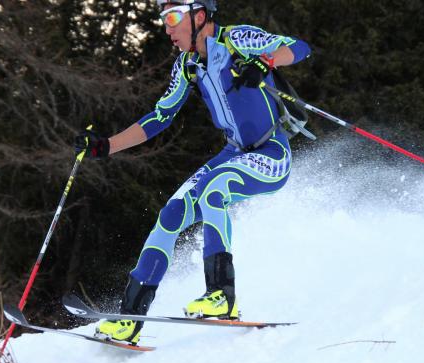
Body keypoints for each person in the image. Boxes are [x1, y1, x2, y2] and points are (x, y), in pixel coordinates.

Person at [74, 0, 311, 345]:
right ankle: (129, 317)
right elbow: (159, 117)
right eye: (163, 20)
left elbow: (299, 48)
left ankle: (221, 296)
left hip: (271, 153)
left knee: (216, 187)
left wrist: (265, 62)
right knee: (171, 214)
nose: (167, 29)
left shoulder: (238, 39)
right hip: (233, 153)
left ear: (199, 16)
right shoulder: (187, 65)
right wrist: (106, 146)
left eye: (173, 18)